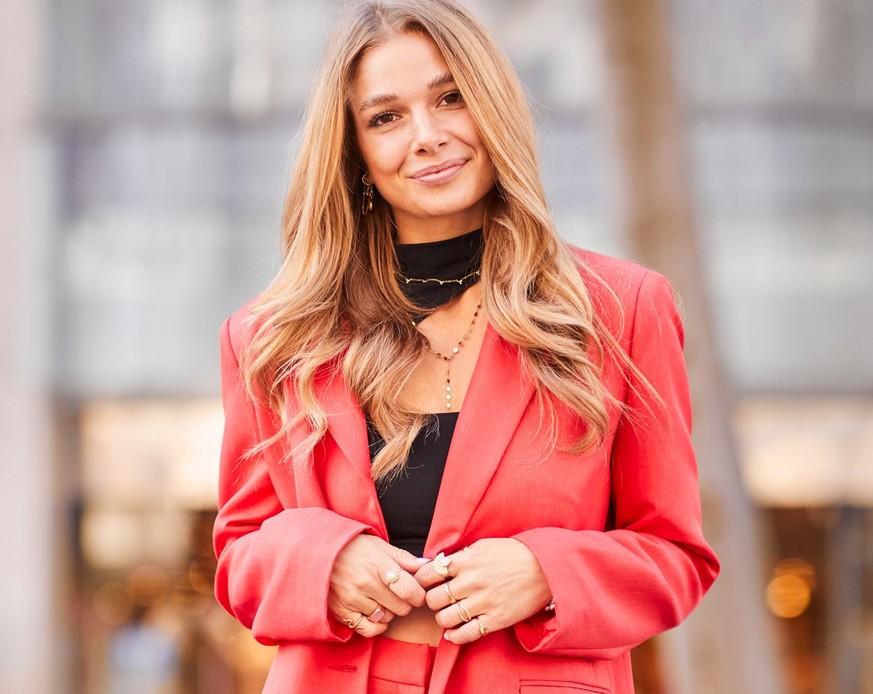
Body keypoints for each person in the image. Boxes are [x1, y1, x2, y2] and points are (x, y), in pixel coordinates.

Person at [213, 0, 719, 692]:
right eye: (384, 117)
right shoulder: (271, 338)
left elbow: (675, 556)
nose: (426, 136)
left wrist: (545, 573)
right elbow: (239, 556)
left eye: (450, 98)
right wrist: (322, 562)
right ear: (354, 150)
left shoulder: (621, 309)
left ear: (492, 105)